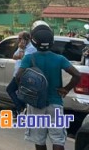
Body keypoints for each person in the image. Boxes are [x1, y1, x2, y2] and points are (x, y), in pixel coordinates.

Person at [17, 22, 80, 150]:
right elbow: (77, 75)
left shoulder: (29, 58)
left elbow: (18, 76)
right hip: (55, 103)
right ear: (51, 42)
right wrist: (66, 89)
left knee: (39, 140)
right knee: (58, 140)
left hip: (36, 105)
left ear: (33, 42)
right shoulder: (60, 59)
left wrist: (26, 91)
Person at [7, 31, 36, 115]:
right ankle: (21, 109)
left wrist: (22, 51)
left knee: (11, 89)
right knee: (17, 92)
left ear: (26, 39)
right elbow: (14, 56)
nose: (18, 40)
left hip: (23, 74)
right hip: (17, 73)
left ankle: (21, 109)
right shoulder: (21, 47)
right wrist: (21, 50)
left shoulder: (31, 48)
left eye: (20, 38)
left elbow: (24, 59)